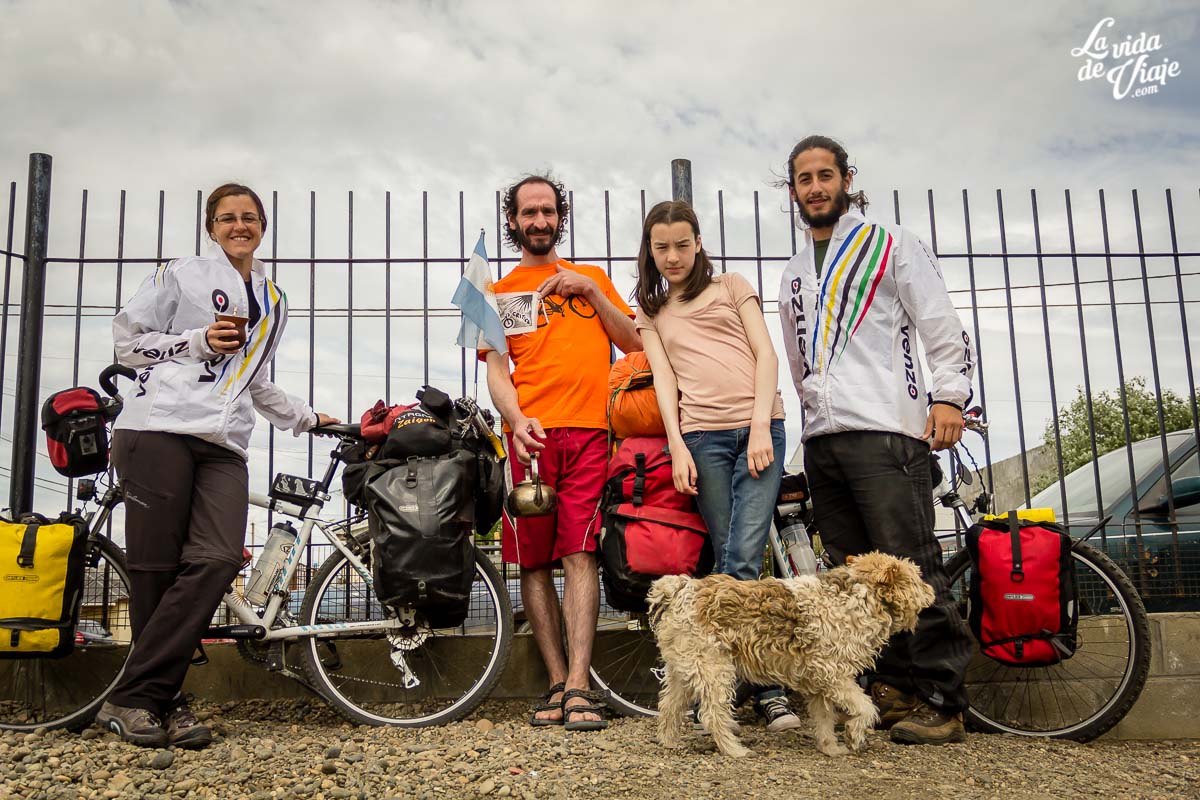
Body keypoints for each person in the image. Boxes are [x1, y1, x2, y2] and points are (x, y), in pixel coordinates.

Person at [98, 183, 338, 748]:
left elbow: (255, 380)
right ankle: (160, 701)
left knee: (218, 557)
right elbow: (127, 344)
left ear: (263, 227)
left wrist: (308, 418)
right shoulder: (180, 274)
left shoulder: (273, 299)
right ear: (211, 228)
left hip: (224, 443)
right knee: (156, 572)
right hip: (157, 429)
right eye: (227, 218)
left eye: (249, 217)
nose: (239, 226)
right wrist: (197, 341)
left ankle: (134, 695)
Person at [777, 135, 976, 745]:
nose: (815, 187)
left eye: (825, 175)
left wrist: (949, 397)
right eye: (804, 179)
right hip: (824, 440)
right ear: (793, 190)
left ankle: (943, 698)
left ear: (846, 179)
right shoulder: (792, 272)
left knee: (910, 569)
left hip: (888, 431)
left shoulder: (892, 243)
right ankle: (893, 687)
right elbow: (798, 361)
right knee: (858, 581)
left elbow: (941, 324)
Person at [634, 200, 801, 733]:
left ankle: (749, 689)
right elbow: (664, 380)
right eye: (662, 247)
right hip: (701, 439)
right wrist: (677, 447)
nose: (673, 256)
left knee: (743, 556)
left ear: (699, 242)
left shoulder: (731, 286)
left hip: (759, 430)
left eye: (682, 244)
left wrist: (760, 426)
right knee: (731, 556)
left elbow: (766, 355)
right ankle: (757, 689)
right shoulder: (651, 310)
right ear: (650, 250)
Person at [482, 174, 640, 731]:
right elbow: (497, 371)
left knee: (580, 554)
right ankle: (555, 682)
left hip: (594, 434)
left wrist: (591, 292)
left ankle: (579, 687)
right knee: (533, 561)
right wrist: (516, 419)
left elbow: (635, 344)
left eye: (548, 211)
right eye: (529, 212)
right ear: (513, 221)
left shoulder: (590, 278)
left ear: (560, 217)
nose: (539, 220)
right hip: (531, 438)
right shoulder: (499, 292)